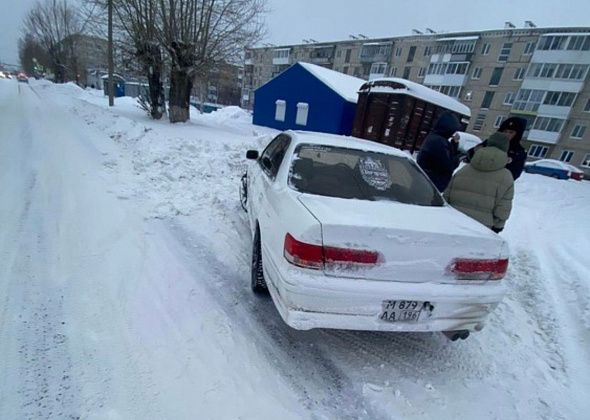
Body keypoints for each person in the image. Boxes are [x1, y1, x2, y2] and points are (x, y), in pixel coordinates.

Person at [444, 132, 514, 233]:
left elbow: (447, 195)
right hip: (481, 229)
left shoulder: (464, 169)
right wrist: (497, 227)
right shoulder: (506, 177)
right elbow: (503, 209)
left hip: (453, 223)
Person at [417, 112, 462, 192]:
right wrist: (457, 159)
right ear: (448, 128)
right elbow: (448, 166)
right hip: (431, 185)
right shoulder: (439, 142)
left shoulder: (435, 138)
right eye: (453, 130)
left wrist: (454, 144)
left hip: (425, 182)